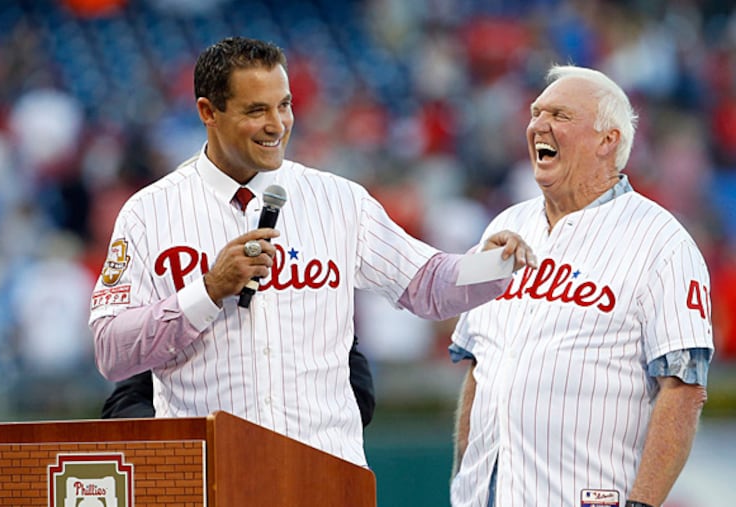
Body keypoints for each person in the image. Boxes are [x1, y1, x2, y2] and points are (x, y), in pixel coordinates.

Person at [88, 36, 537, 467]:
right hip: (209, 474)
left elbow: (426, 284)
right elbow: (112, 351)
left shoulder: (339, 199)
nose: (276, 124)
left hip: (325, 470)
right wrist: (207, 292)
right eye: (256, 110)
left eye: (283, 106)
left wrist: (492, 263)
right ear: (209, 111)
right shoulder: (148, 213)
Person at [449, 64, 713, 507]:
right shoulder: (503, 225)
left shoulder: (662, 241)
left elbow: (683, 390)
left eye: (560, 115)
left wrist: (641, 504)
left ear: (608, 140)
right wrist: (463, 483)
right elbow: (479, 366)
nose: (539, 125)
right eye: (536, 113)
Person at [101, 336, 377, 427]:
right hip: (207, 476)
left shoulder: (315, 318)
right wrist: (191, 436)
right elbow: (123, 406)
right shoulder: (187, 319)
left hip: (304, 474)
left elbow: (359, 399)